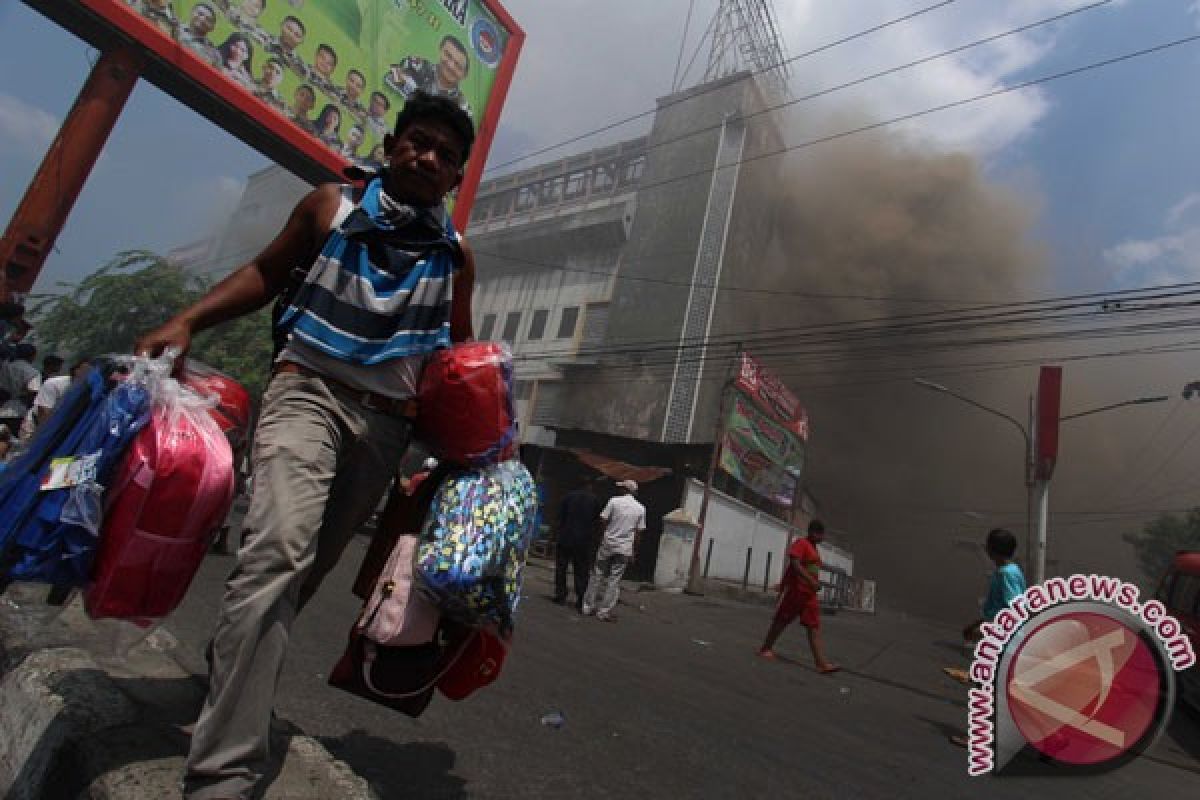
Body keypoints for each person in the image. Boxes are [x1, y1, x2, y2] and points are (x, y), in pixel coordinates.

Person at [134, 90, 476, 800]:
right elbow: (264, 273)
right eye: (418, 141)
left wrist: (476, 451)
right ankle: (223, 774)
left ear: (455, 178)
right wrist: (186, 320)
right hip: (307, 390)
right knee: (278, 553)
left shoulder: (455, 256)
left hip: (385, 428)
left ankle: (226, 673)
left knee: (302, 576)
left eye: (446, 155)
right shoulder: (333, 207)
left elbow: (454, 356)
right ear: (391, 146)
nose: (429, 158)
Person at [758, 520, 840, 674]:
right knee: (781, 621)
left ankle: (821, 664)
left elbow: (810, 568)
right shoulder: (802, 543)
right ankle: (765, 648)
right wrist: (810, 581)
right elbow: (795, 564)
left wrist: (812, 583)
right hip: (797, 592)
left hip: (809, 596)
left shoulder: (814, 549)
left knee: (813, 627)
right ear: (814, 533)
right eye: (821, 534)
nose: (822, 538)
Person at [581, 479, 646, 622]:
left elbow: (603, 519)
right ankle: (603, 612)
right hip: (624, 548)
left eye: (622, 487)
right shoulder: (640, 508)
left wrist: (605, 535)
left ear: (625, 490)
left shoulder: (614, 501)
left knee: (597, 575)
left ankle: (587, 607)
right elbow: (639, 532)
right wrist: (634, 551)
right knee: (614, 580)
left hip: (608, 544)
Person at [962, 528, 1027, 643]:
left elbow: (1014, 609)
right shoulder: (1008, 571)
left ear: (990, 550)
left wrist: (989, 629)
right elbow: (998, 606)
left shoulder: (1007, 574)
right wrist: (979, 623)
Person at [385, 35, 473, 117]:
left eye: (458, 65)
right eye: (448, 55)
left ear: (464, 75)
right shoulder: (416, 65)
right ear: (440, 50)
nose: (450, 65)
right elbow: (389, 79)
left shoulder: (463, 108)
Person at [553, 477, 602, 611]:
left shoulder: (568, 497)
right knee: (581, 570)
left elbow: (559, 518)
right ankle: (580, 598)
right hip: (584, 541)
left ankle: (560, 595)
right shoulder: (595, 500)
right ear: (590, 486)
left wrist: (556, 535)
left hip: (565, 538)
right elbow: (597, 522)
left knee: (561, 568)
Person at [17, 358, 90, 447]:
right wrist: (45, 435)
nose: (85, 373)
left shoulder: (89, 389)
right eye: (84, 370)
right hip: (37, 425)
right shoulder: (54, 384)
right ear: (75, 369)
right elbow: (43, 412)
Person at [0, 343, 39, 436]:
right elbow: (33, 393)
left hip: (2, 404)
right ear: (33, 356)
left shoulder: (5, 366)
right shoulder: (33, 373)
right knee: (6, 438)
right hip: (16, 411)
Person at [179, 2, 220, 66]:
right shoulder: (173, 27)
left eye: (208, 19)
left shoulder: (214, 55)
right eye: (200, 14)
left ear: (212, 28)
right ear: (192, 13)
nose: (202, 19)